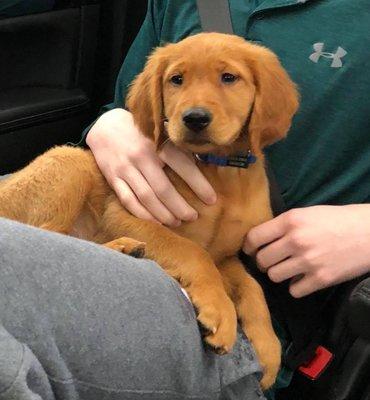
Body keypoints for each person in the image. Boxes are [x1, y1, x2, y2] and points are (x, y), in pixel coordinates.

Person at [0, 1, 369, 399]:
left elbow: (222, 254)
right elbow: (133, 105)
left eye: (229, 78)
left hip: (248, 338)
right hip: (112, 236)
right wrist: (109, 124)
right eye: (178, 80)